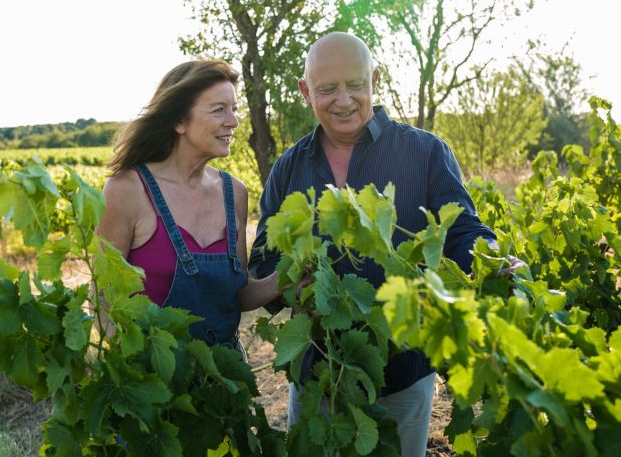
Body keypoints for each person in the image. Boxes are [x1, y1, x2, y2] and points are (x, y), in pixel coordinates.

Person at [249, 32, 505, 456]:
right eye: (327, 89)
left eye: (355, 84)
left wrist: (492, 258)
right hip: (317, 373)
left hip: (403, 371)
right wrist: (292, 286)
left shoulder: (424, 152)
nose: (344, 100)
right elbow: (263, 260)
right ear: (304, 91)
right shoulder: (288, 168)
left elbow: (460, 233)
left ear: (375, 80)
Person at [97, 59, 281, 353]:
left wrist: (286, 278)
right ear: (179, 121)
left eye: (234, 109)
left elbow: (236, 293)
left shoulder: (234, 193)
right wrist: (140, 365)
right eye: (219, 110)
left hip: (224, 377)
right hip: (156, 376)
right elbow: (103, 299)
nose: (233, 121)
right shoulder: (127, 190)